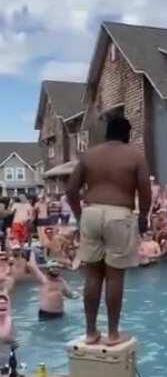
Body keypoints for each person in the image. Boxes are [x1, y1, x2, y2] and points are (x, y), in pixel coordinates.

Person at [66, 115, 151, 346]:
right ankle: (113, 334)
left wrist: (79, 215)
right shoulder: (135, 155)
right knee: (115, 275)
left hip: (91, 212)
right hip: (119, 214)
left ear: (107, 133)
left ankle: (91, 332)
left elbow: (71, 191)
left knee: (93, 275)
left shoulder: (89, 155)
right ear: (127, 134)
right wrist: (144, 216)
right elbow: (145, 190)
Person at [30, 252, 77, 319]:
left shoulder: (62, 282)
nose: (55, 269)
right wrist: (32, 252)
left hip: (60, 314)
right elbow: (32, 266)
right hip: (46, 314)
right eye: (53, 267)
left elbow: (70, 294)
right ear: (47, 269)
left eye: (57, 267)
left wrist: (80, 296)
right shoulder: (43, 279)